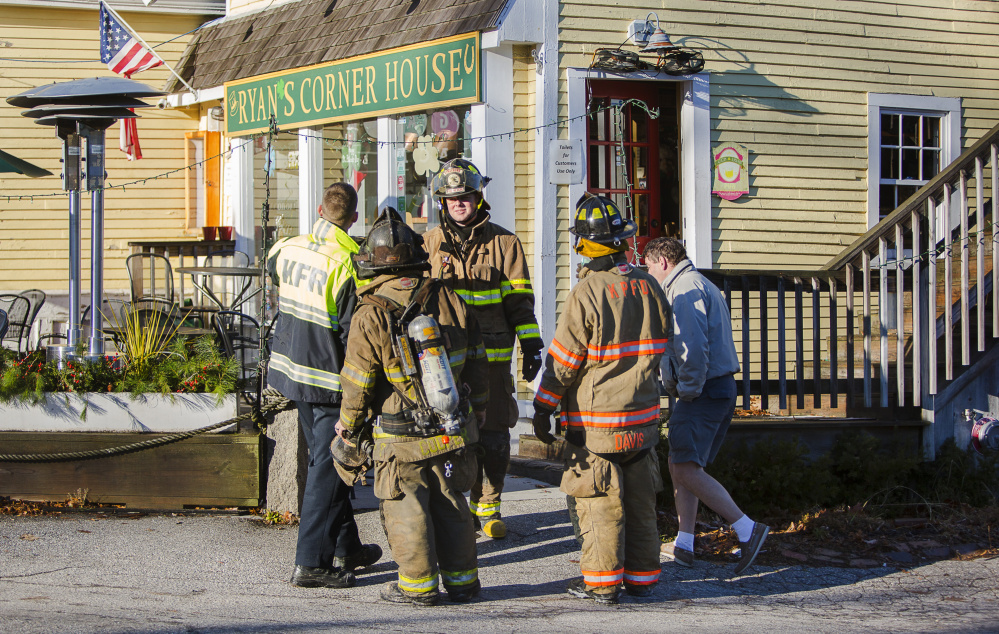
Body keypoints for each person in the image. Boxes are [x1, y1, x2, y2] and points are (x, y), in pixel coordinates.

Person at [335, 208, 490, 606]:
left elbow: (357, 382)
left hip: (401, 435)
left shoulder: (370, 312)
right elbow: (478, 357)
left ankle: (417, 588)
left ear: (372, 262)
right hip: (454, 425)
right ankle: (463, 584)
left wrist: (347, 428)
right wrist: (481, 411)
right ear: (418, 257)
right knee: (453, 502)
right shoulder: (449, 297)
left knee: (407, 508)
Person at [532, 193, 670, 605]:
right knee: (642, 503)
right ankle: (643, 580)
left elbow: (564, 362)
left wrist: (542, 406)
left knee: (599, 503)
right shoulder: (649, 286)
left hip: (598, 427)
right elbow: (662, 343)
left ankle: (603, 583)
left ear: (584, 245)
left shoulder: (587, 293)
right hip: (643, 420)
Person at [267, 182, 381, 588]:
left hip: (291, 372)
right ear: (353, 219)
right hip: (328, 380)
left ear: (318, 209)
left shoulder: (286, 247)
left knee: (326, 461)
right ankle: (310, 563)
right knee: (328, 468)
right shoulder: (350, 261)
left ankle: (346, 548)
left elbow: (275, 279)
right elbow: (354, 333)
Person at [424, 158, 543, 540]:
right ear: (443, 202)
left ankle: (487, 508)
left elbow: (520, 302)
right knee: (450, 436)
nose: (460, 203)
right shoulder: (427, 244)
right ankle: (454, 509)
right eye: (452, 198)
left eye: (467, 196)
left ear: (479, 197)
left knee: (493, 438)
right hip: (445, 363)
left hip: (492, 361)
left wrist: (531, 342)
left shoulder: (505, 243)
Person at [643, 236, 769, 575]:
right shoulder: (699, 284)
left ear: (663, 262)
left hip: (702, 391)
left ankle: (746, 529)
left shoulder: (684, 290)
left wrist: (687, 392)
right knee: (682, 463)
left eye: (650, 265)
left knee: (683, 467)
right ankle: (684, 544)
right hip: (714, 388)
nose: (649, 272)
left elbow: (693, 349)